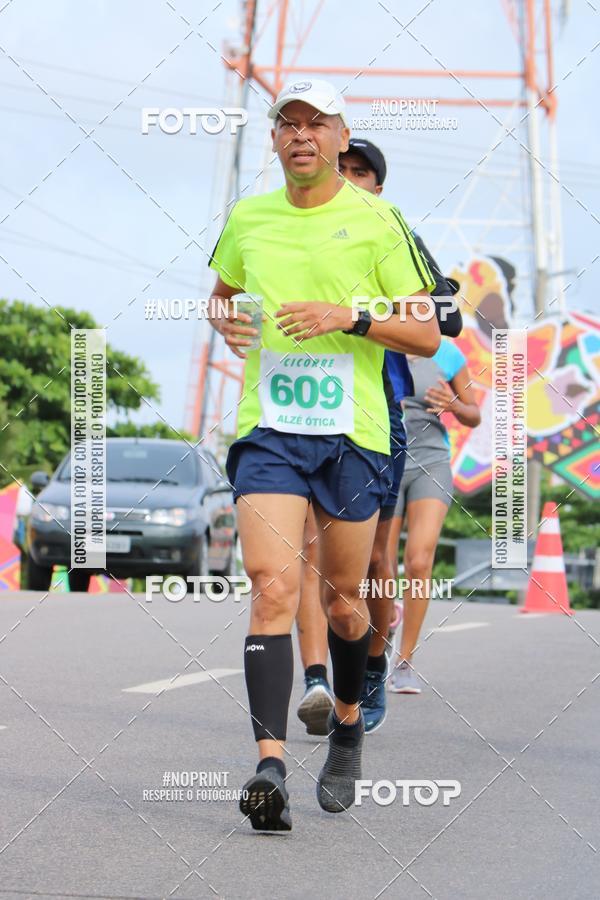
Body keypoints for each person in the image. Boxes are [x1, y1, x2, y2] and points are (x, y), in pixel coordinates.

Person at [208, 80, 439, 830]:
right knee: (273, 585)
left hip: (355, 433)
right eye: (288, 123)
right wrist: (225, 324)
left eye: (318, 122)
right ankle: (269, 765)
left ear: (342, 137)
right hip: (268, 427)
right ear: (275, 141)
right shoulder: (249, 217)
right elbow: (223, 292)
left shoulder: (380, 220)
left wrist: (351, 316)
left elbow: (427, 335)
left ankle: (345, 723)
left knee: (344, 601)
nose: (302, 134)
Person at [295, 138, 461, 734]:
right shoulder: (294, 222)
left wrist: (363, 312)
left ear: (378, 187)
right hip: (304, 414)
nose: (348, 178)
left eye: (360, 172)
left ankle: (370, 666)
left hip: (375, 416)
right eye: (342, 169)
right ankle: (318, 679)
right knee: (310, 555)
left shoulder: (393, 235)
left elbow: (447, 318)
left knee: (378, 561)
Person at [387, 342, 481, 693]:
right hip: (383, 460)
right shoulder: (378, 341)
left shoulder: (447, 354)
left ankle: (405, 662)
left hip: (432, 462)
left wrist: (455, 406)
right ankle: (378, 637)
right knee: (379, 562)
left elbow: (474, 414)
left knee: (419, 559)